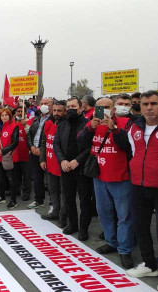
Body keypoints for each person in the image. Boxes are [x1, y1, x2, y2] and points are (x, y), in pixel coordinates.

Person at [77, 97, 134, 268]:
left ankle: (125, 249)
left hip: (121, 178)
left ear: (113, 109)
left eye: (107, 107)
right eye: (99, 107)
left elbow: (128, 147)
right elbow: (81, 143)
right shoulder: (91, 124)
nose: (103, 110)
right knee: (104, 212)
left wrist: (114, 129)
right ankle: (111, 241)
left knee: (124, 216)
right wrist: (91, 128)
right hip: (99, 177)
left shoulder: (126, 123)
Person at [126, 91, 158, 281]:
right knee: (140, 226)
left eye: (154, 103)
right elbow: (133, 153)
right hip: (138, 185)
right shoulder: (134, 128)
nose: (148, 107)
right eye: (145, 104)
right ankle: (149, 264)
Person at [53, 97, 92, 241]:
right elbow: (56, 143)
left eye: (73, 106)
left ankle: (83, 229)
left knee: (84, 200)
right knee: (68, 198)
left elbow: (90, 146)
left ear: (81, 108)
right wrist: (62, 160)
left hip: (81, 167)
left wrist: (77, 160)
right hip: (66, 167)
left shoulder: (88, 124)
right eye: (68, 106)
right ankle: (73, 224)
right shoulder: (62, 124)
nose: (70, 109)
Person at [40, 100, 67, 226]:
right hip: (49, 164)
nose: (56, 113)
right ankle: (55, 211)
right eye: (54, 110)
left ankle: (63, 215)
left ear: (65, 111)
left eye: (59, 111)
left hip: (62, 165)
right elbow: (44, 142)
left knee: (64, 192)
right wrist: (42, 159)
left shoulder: (67, 125)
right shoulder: (48, 123)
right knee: (53, 190)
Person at [26, 97, 54, 208]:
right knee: (37, 179)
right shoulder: (36, 119)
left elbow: (51, 138)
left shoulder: (53, 119)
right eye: (41, 103)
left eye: (46, 103)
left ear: (51, 105)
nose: (43, 105)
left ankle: (53, 203)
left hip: (46, 153)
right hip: (34, 152)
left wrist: (41, 150)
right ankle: (39, 200)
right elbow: (29, 134)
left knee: (51, 181)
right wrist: (31, 147)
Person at [0, 108, 19, 207]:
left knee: (11, 179)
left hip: (8, 157)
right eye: (2, 115)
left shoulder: (14, 126)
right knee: (1, 178)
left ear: (10, 116)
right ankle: (1, 197)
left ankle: (13, 200)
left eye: (6, 115)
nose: (4, 117)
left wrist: (2, 151)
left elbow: (15, 142)